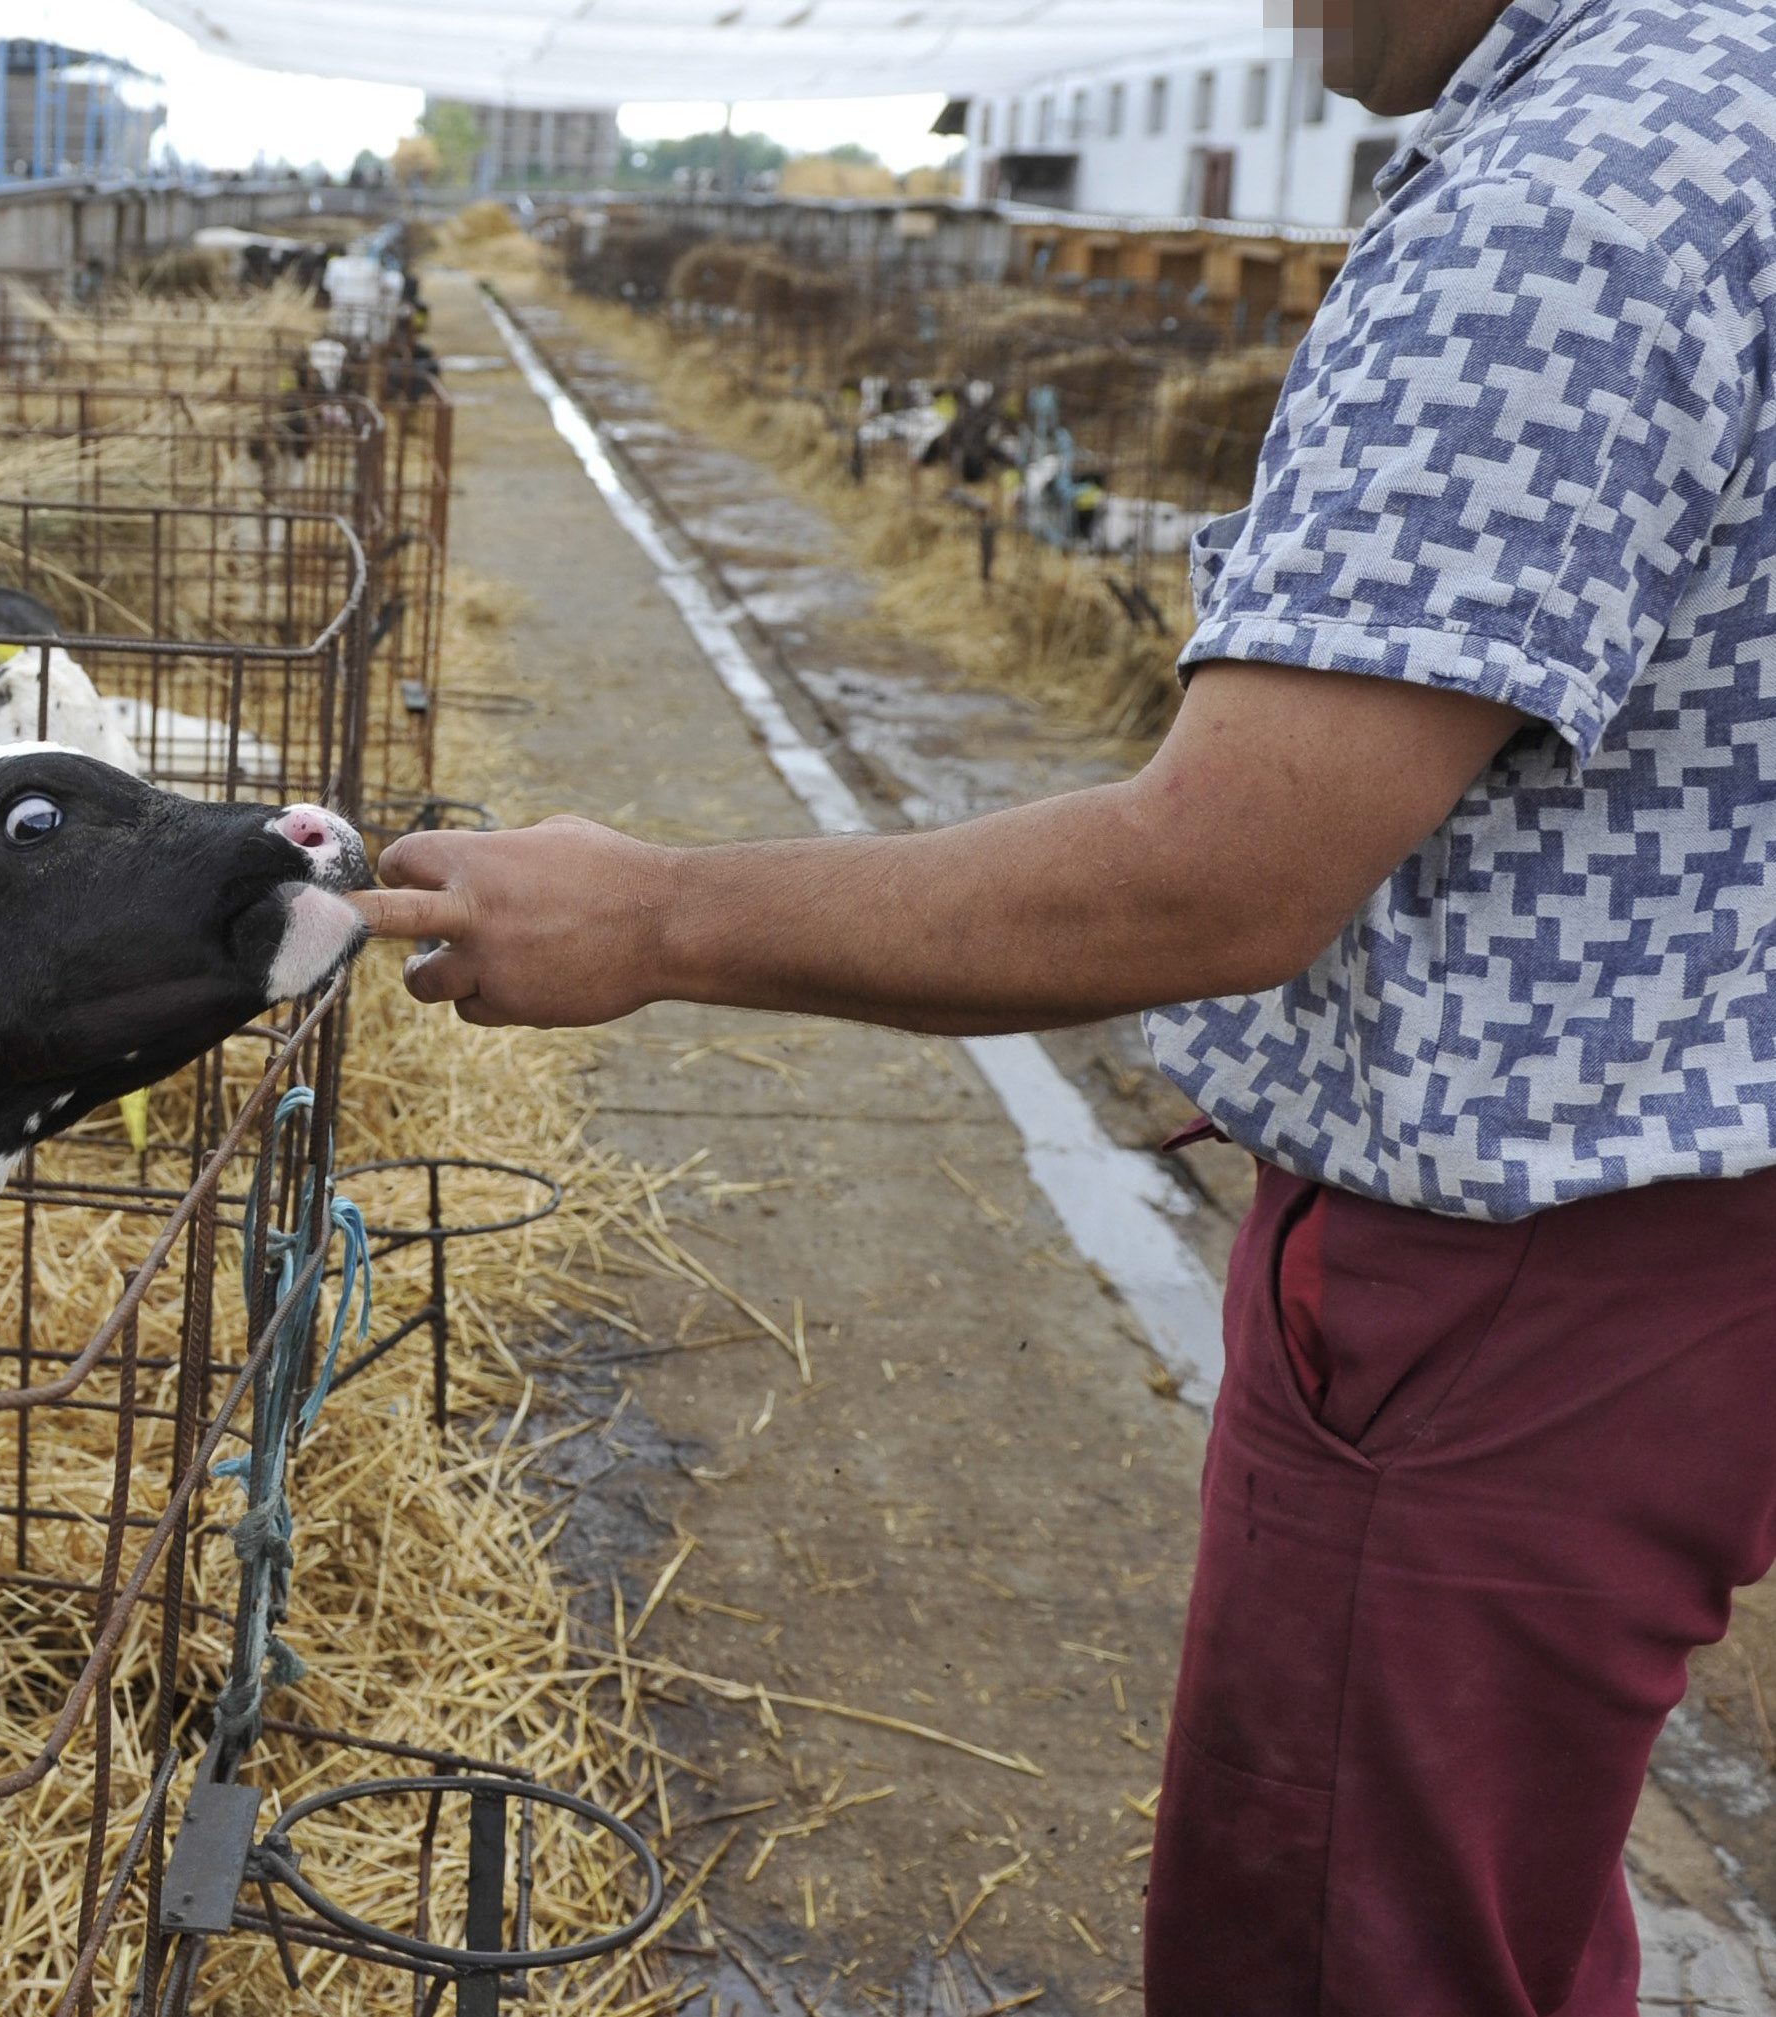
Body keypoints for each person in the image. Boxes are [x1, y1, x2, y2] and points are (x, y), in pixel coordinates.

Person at [351, 2, 1776, 2010]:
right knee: (1502, 1907)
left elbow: (1226, 865)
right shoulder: (1728, 100)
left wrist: (655, 912)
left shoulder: (1583, 185)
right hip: (1687, 1213)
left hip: (1504, 1285)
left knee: (1340, 1942)